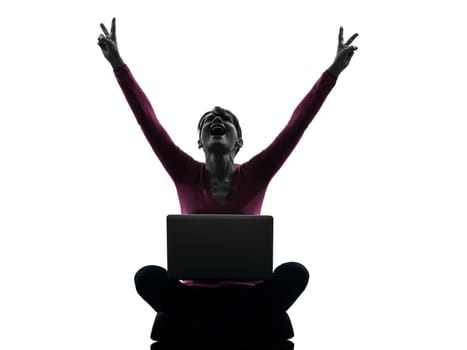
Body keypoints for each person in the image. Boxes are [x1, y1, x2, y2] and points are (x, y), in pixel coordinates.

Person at [97, 18, 358, 316]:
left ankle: (236, 318)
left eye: (227, 119)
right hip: (193, 296)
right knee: (147, 277)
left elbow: (296, 125)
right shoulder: (183, 171)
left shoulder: (256, 173)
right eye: (208, 119)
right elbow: (149, 122)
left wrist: (333, 72)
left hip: (250, 296)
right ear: (200, 141)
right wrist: (118, 63)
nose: (217, 117)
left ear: (239, 141)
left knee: (295, 272)